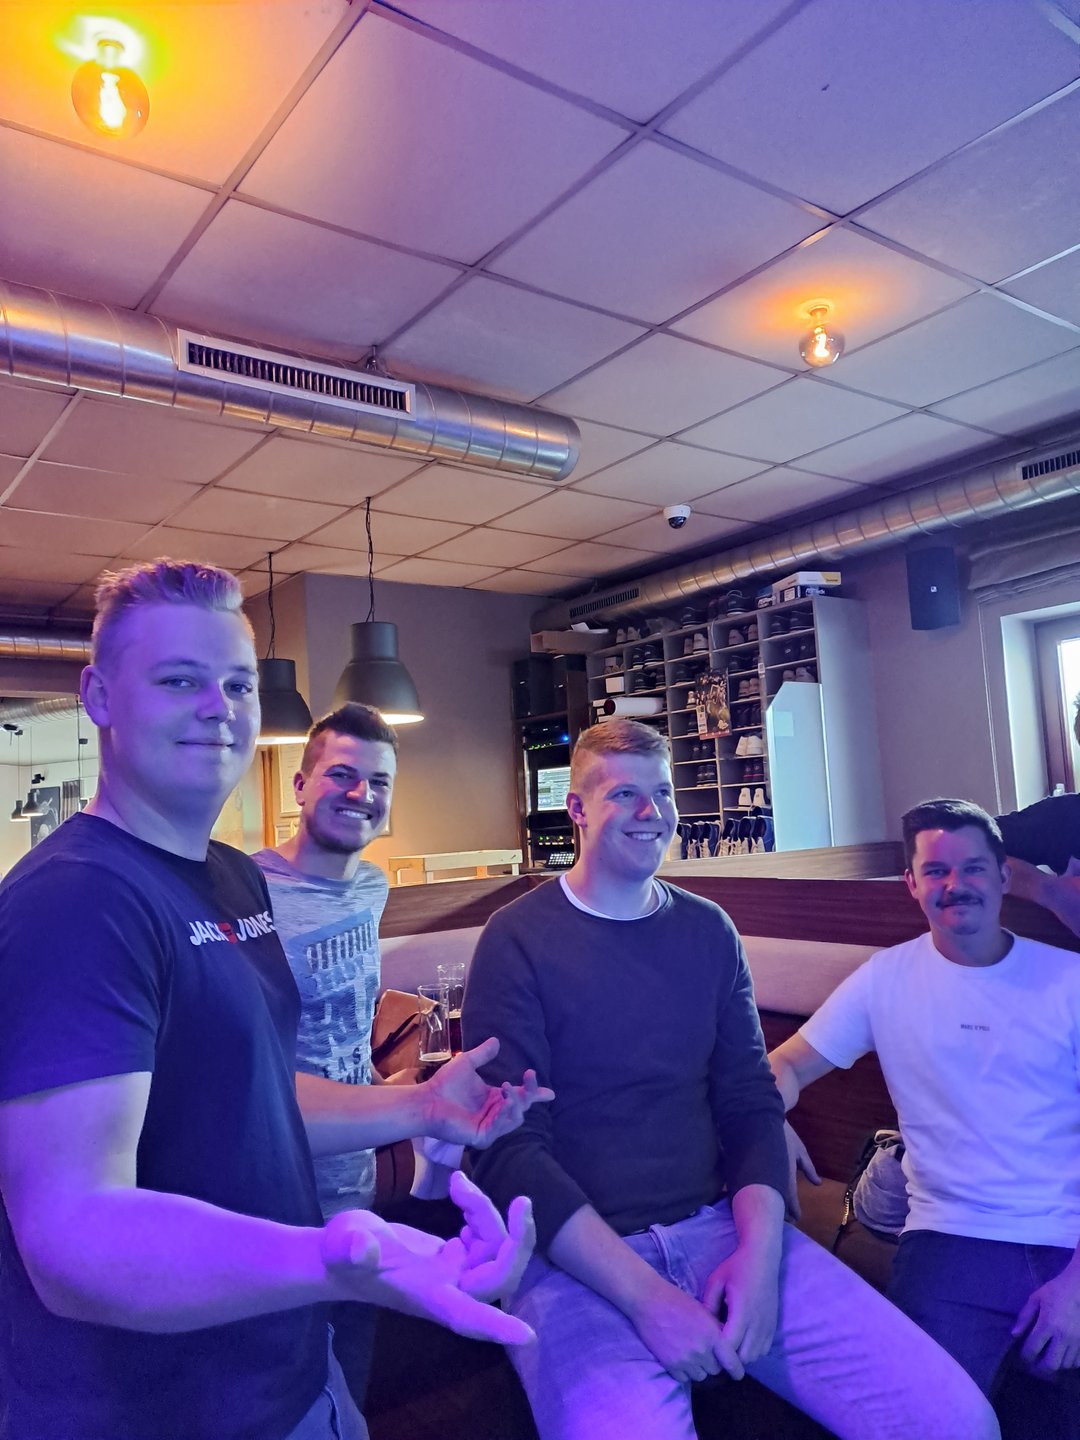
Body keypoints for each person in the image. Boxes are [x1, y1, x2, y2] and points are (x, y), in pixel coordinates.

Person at [0, 559, 540, 1440]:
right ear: (99, 697)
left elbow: (255, 1095)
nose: (219, 707)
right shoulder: (77, 900)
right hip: (156, 1410)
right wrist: (332, 1260)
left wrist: (419, 1105)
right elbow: (72, 1237)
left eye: (238, 684)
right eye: (180, 680)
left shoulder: (229, 878)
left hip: (287, 1368)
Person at [463, 719, 996, 1440]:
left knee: (956, 1419)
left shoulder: (708, 930)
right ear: (578, 810)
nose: (652, 812)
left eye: (662, 792)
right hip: (574, 1262)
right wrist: (649, 1299)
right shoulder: (515, 938)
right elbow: (507, 1148)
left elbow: (749, 1100)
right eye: (624, 794)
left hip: (720, 1228)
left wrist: (760, 1255)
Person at [254, 701, 539, 1406]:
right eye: (341, 774)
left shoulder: (371, 888)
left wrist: (402, 1089)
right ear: (300, 785)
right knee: (276, 1391)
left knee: (349, 1384)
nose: (361, 793)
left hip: (355, 1184)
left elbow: (342, 1030)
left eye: (378, 781)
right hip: (270, 1186)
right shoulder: (249, 892)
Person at [770, 798, 1080, 1439]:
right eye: (935, 870)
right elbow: (788, 1065)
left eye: (973, 868)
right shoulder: (884, 979)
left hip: (1068, 1243)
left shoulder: (1068, 980)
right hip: (948, 1242)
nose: (955, 885)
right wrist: (766, 1115)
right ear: (911, 883)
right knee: (921, 1423)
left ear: (1004, 875)